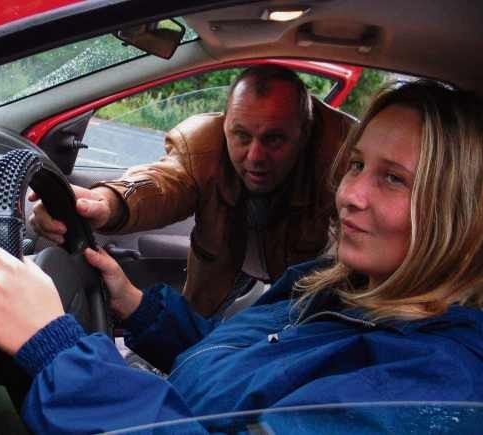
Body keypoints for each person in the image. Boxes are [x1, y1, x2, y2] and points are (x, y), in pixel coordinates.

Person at [0, 80, 483, 434]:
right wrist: (138, 305)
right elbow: (241, 350)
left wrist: (55, 348)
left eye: (393, 178)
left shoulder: (437, 383)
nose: (349, 195)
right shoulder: (339, 282)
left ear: (462, 211)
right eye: (357, 165)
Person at [29, 65, 356, 316]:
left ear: (304, 131)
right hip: (225, 271)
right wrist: (106, 202)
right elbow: (163, 183)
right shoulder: (205, 144)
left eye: (274, 140)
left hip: (310, 290)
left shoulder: (345, 157)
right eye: (241, 136)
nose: (255, 157)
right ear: (225, 124)